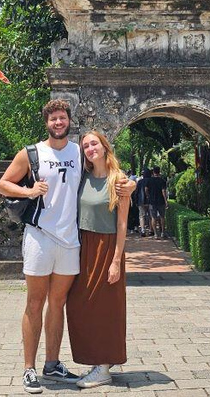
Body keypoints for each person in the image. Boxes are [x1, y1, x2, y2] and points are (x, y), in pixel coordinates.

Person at [0, 100, 134, 394]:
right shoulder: (32, 153)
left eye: (62, 118)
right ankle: (29, 369)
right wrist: (29, 190)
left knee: (58, 303)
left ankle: (52, 363)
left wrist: (129, 185)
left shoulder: (78, 152)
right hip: (40, 236)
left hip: (71, 241)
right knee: (35, 303)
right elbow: (3, 184)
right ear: (46, 123)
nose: (58, 123)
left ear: (69, 121)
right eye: (53, 119)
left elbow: (106, 171)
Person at [66, 131, 130, 389]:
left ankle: (103, 367)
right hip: (83, 245)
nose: (90, 148)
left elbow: (123, 224)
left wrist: (116, 260)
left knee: (106, 306)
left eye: (94, 143)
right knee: (80, 303)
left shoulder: (119, 180)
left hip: (107, 246)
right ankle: (98, 360)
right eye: (85, 146)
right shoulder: (82, 177)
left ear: (104, 147)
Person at [145, 166, 168, 239]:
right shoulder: (162, 180)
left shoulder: (149, 180)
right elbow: (163, 191)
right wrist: (166, 201)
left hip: (152, 201)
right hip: (161, 201)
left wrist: (148, 196)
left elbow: (146, 189)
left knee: (153, 218)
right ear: (159, 171)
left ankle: (155, 234)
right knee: (162, 217)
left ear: (153, 172)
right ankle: (162, 233)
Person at [136, 169, 152, 237]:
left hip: (141, 201)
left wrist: (136, 201)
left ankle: (142, 230)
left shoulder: (139, 182)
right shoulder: (151, 181)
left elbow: (136, 192)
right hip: (150, 201)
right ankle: (151, 230)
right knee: (151, 216)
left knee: (142, 216)